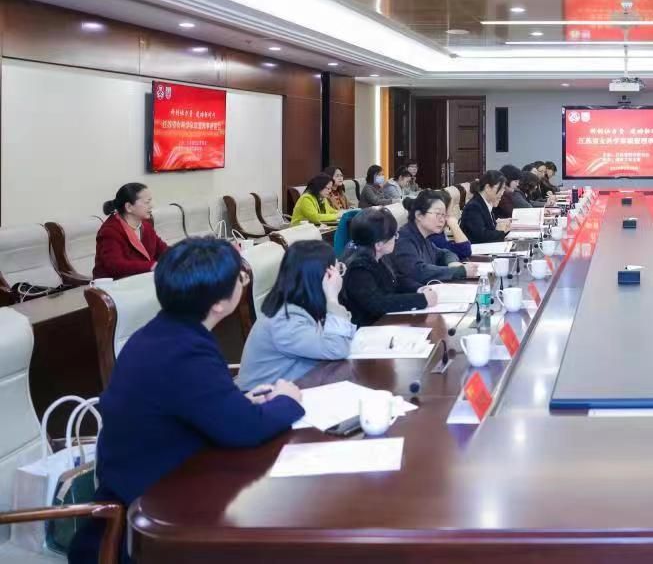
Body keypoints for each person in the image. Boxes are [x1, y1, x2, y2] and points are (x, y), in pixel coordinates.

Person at [68, 238, 304, 563]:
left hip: (162, 487)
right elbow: (246, 429)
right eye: (241, 277)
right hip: (143, 524)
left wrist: (238, 400)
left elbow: (192, 403)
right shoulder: (186, 350)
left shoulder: (160, 332)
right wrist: (288, 399)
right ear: (219, 303)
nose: (244, 282)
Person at [237, 240, 356, 390]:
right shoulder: (286, 318)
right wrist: (332, 298)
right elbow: (337, 348)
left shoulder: (302, 304)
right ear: (322, 277)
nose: (339, 278)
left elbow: (344, 337)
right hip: (261, 398)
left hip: (296, 385)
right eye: (337, 271)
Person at [340, 208, 438, 326]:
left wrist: (419, 288)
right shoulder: (358, 268)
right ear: (379, 244)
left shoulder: (377, 256)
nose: (396, 238)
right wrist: (421, 300)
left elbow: (395, 280)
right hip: (369, 328)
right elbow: (378, 303)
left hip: (384, 323)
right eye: (394, 235)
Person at [388, 192, 478, 286]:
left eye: (444, 215)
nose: (442, 220)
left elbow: (445, 253)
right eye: (438, 214)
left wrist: (452, 262)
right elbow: (419, 271)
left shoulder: (423, 238)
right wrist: (459, 271)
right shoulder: (404, 239)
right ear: (419, 215)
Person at [94, 182, 169, 279]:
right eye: (147, 202)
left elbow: (162, 250)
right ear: (129, 207)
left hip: (139, 280)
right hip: (114, 284)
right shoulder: (110, 231)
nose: (152, 205)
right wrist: (152, 266)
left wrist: (182, 255)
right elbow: (115, 266)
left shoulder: (146, 226)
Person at [461, 169, 510, 243]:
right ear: (487, 188)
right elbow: (481, 236)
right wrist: (501, 231)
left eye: (503, 189)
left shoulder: (484, 203)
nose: (502, 193)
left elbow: (489, 229)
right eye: (499, 189)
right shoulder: (473, 207)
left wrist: (500, 226)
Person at [430, 188, 472, 260]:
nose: (452, 214)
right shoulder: (433, 237)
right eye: (451, 210)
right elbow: (465, 250)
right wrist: (454, 225)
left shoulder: (436, 232)